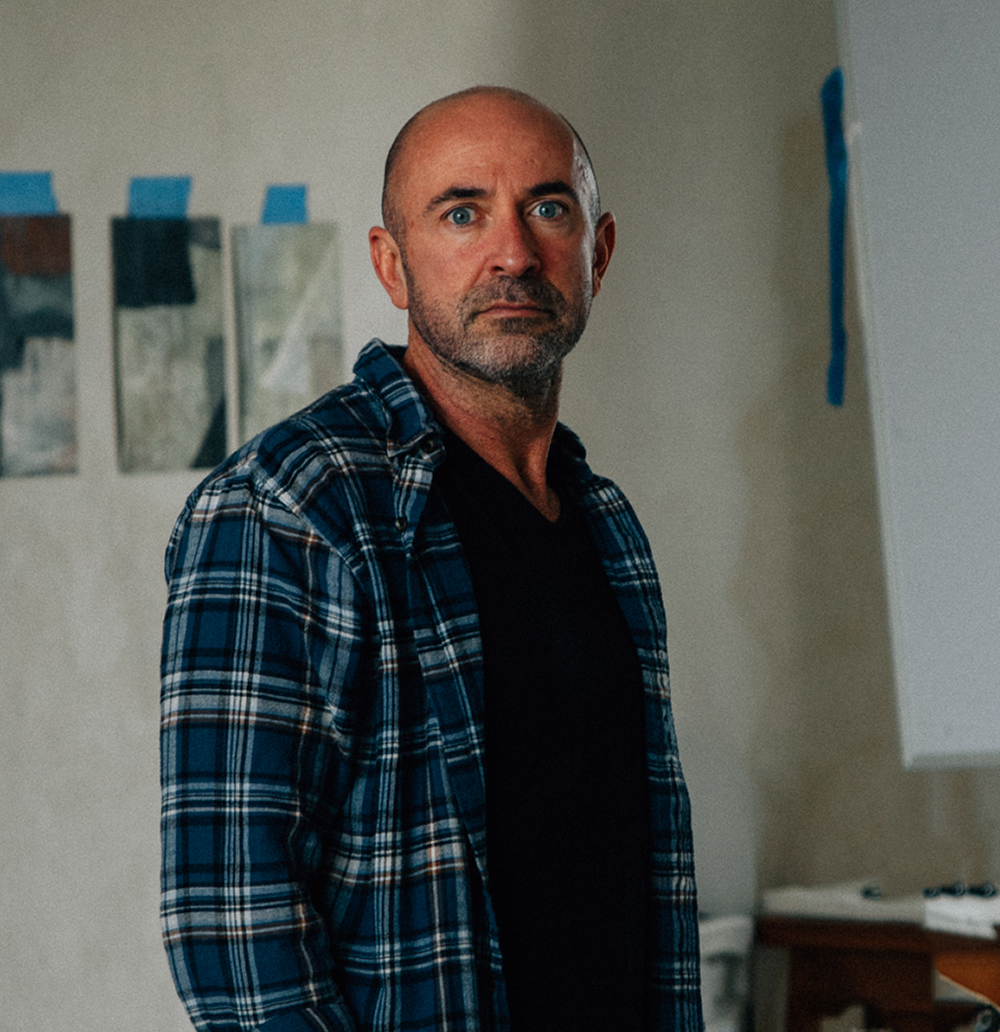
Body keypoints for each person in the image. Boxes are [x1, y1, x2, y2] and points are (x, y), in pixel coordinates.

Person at [160, 86, 702, 1032]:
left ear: (599, 252)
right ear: (391, 264)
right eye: (461, 213)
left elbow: (638, 876)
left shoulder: (606, 522)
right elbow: (235, 935)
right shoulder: (290, 506)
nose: (513, 254)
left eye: (547, 208)